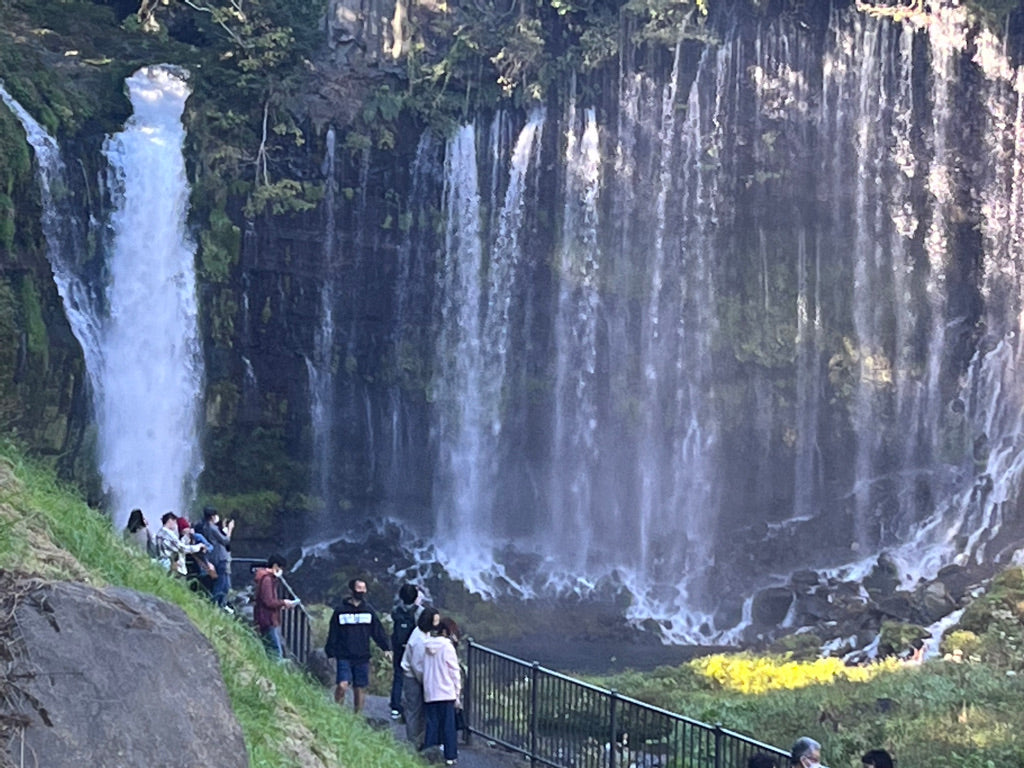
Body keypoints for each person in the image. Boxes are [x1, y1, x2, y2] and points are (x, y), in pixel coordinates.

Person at [324, 578, 391, 713]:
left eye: (364, 588)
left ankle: (357, 716)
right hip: (344, 654)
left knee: (359, 688)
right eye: (359, 588)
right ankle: (337, 712)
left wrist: (386, 647)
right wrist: (330, 652)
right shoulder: (340, 610)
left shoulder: (368, 610)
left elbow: (377, 630)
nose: (362, 591)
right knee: (342, 685)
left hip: (362, 655)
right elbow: (333, 632)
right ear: (352, 590)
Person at [421, 616, 461, 766]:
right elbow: (454, 672)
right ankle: (450, 756)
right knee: (448, 726)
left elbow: (422, 668)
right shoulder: (447, 647)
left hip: (430, 691)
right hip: (446, 691)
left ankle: (429, 755)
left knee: (432, 724)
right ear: (445, 631)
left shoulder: (427, 645)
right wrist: (457, 693)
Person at [402, 606, 440, 747]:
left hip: (415, 676)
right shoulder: (419, 640)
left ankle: (418, 740)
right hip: (414, 678)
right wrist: (426, 681)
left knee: (417, 710)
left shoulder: (422, 633)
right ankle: (413, 742)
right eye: (435, 621)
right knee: (414, 710)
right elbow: (417, 665)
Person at [253, 554, 299, 659]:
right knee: (275, 651)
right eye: (281, 568)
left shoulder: (267, 578)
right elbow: (268, 601)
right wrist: (283, 602)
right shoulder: (267, 580)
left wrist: (280, 605)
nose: (281, 571)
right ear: (275, 566)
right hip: (267, 618)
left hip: (266, 617)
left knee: (271, 648)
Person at [389, 583, 423, 719]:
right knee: (415, 676)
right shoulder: (419, 611)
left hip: (398, 647)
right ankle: (414, 707)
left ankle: (395, 707)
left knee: (398, 676)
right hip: (413, 648)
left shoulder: (396, 610)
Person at [195, 506, 234, 608]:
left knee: (220, 584)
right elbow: (225, 541)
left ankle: (218, 606)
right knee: (222, 585)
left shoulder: (201, 526)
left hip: (211, 558)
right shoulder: (212, 528)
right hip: (220, 558)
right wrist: (229, 529)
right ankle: (216, 607)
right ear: (212, 516)